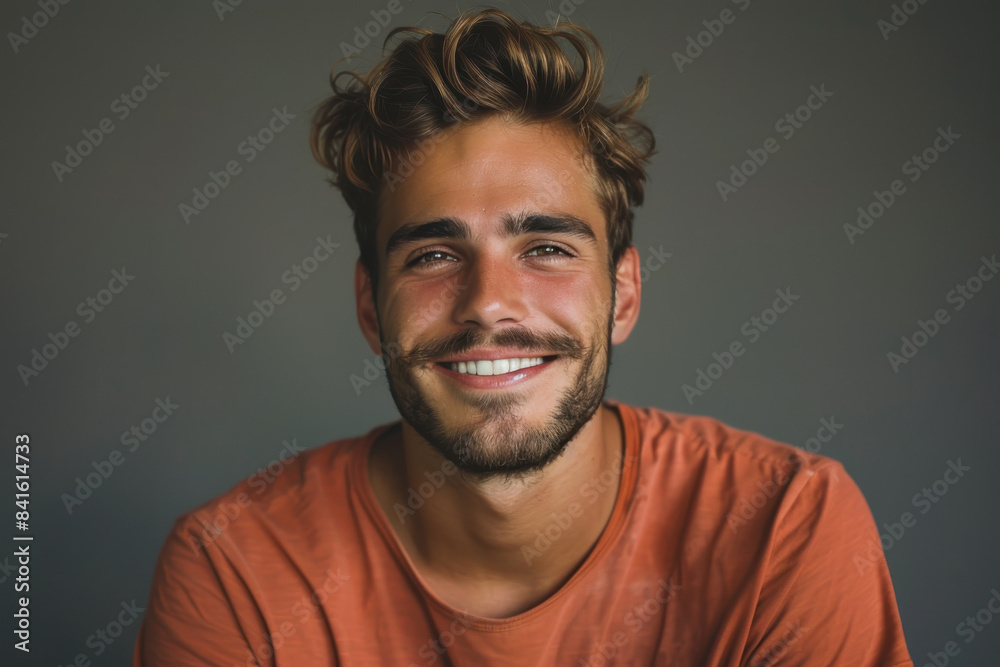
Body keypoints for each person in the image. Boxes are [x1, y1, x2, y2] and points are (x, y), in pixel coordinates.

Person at [134, 8, 913, 666]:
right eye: (435, 255)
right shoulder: (236, 569)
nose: (489, 304)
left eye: (546, 248)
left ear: (625, 293)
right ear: (371, 306)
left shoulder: (784, 525)